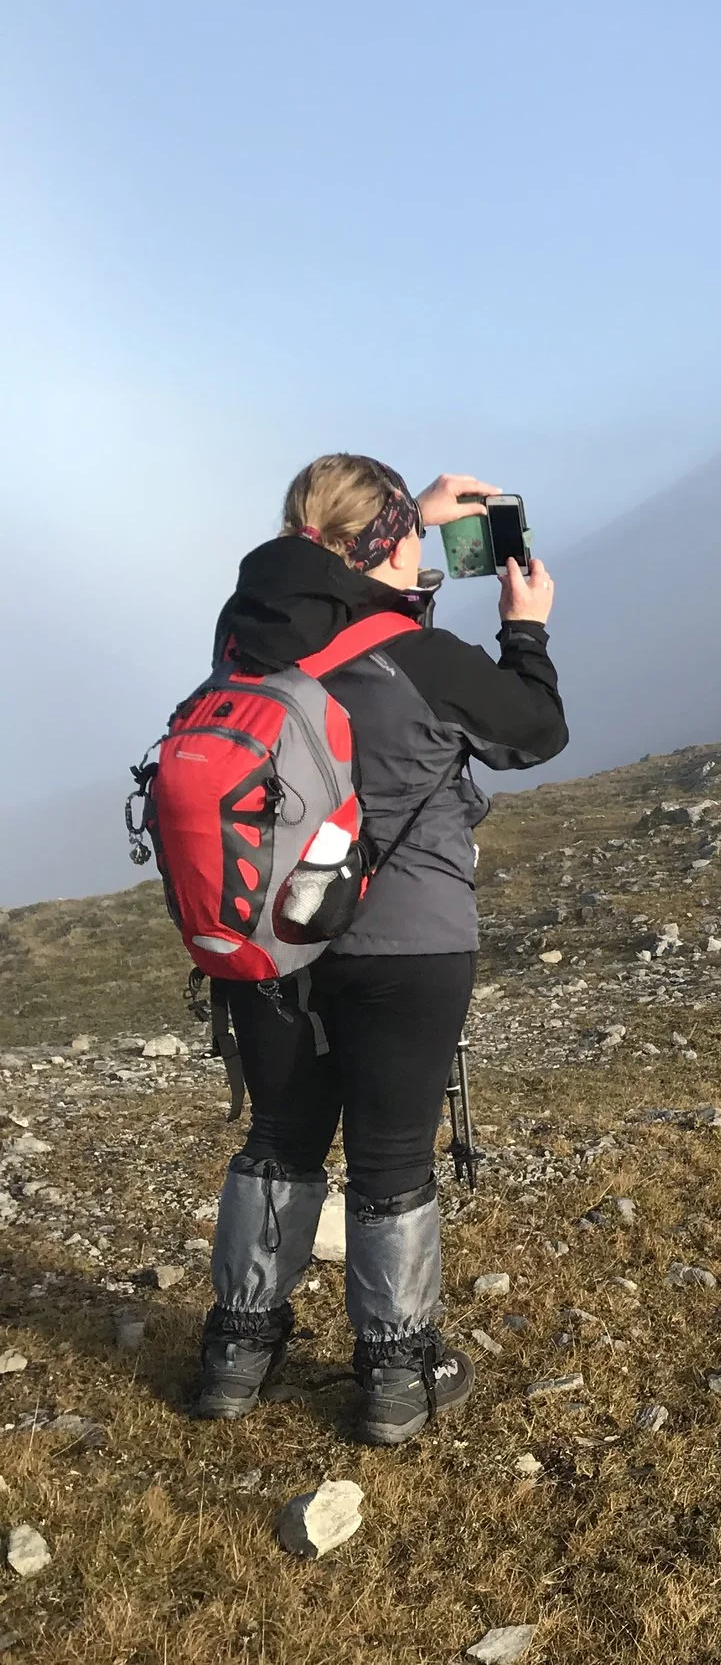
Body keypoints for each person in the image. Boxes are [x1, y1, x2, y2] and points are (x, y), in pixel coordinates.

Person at [193, 454, 566, 1445]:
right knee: (392, 1155)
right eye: (410, 533)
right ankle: (398, 1377)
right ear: (392, 544)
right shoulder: (420, 656)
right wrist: (524, 626)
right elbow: (534, 734)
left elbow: (325, 582)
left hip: (270, 938)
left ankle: (235, 1357)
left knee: (279, 1140)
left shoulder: (246, 642)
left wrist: (402, 533)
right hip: (408, 939)